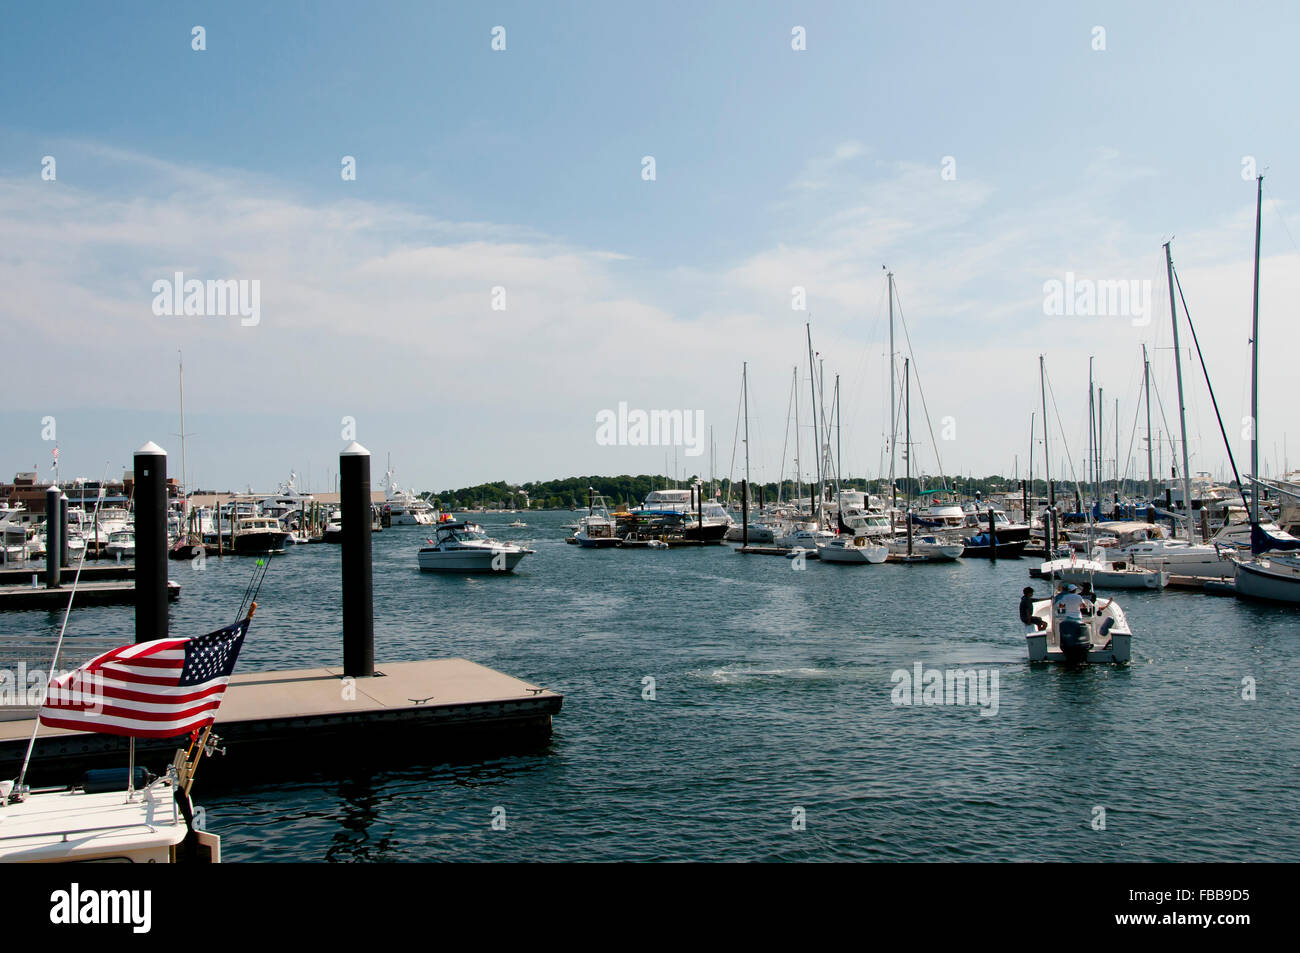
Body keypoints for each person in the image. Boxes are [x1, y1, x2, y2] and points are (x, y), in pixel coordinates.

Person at [1054, 584, 1090, 662]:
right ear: (1074, 590)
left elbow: (1060, 605)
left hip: (1069, 617)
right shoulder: (1079, 597)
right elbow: (1084, 606)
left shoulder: (1065, 597)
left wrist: (1066, 606)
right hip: (1078, 617)